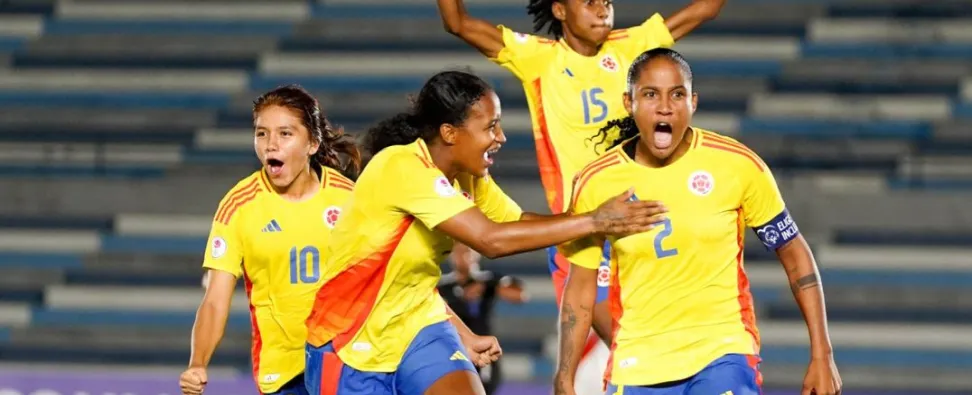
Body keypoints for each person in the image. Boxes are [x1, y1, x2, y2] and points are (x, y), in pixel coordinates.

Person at [302, 70, 668, 395]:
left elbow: (520, 223)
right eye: (490, 126)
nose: (501, 137)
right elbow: (490, 240)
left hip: (419, 327)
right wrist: (595, 221)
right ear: (449, 133)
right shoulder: (400, 166)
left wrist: (600, 217)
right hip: (349, 337)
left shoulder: (467, 175)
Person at [435, 1, 726, 391]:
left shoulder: (634, 44)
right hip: (583, 233)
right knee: (630, 349)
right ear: (559, 9)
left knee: (661, 350)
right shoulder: (538, 57)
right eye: (587, 1)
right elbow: (458, 22)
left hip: (640, 225)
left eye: (606, 0)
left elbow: (703, 10)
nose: (601, 9)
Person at [555, 48, 843, 395]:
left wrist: (822, 354)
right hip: (639, 361)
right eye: (650, 94)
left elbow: (794, 252)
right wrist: (565, 376)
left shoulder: (737, 165)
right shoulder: (596, 182)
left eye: (677, 94)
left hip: (723, 350)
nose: (665, 106)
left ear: (693, 102)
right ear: (628, 102)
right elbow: (581, 289)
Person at [179, 85, 362, 395]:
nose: (270, 145)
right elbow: (214, 300)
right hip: (286, 373)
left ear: (313, 143)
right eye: (261, 134)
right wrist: (198, 362)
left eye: (285, 134)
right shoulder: (239, 206)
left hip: (348, 360)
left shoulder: (349, 198)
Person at [438, 243, 529, 394]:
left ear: (477, 254)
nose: (463, 257)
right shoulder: (443, 285)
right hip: (453, 348)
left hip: (482, 348)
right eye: (458, 253)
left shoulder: (488, 280)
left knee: (485, 388)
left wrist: (489, 288)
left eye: (467, 252)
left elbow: (520, 295)